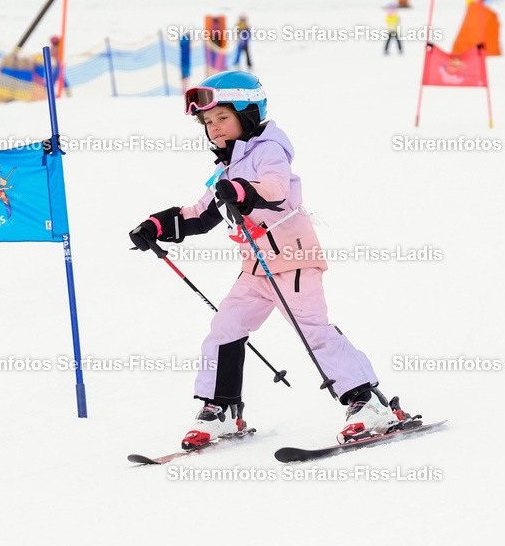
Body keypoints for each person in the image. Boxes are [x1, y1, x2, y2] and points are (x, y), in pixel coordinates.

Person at [128, 71, 413, 450]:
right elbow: (201, 214)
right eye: (208, 123)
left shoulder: (268, 151)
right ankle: (222, 409)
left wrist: (242, 190)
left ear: (247, 114)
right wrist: (157, 225)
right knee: (225, 328)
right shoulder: (224, 169)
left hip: (293, 261)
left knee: (313, 330)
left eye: (222, 118)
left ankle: (368, 402)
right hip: (256, 270)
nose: (214, 129)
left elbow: (276, 190)